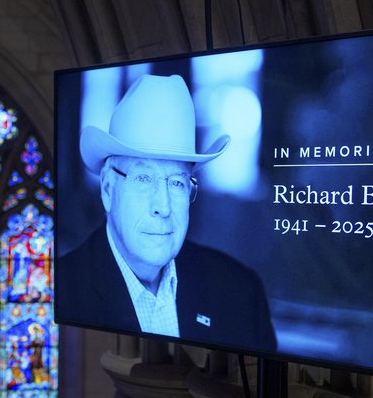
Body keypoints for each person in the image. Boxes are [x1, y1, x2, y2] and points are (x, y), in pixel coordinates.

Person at [58, 74, 275, 351]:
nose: (163, 206)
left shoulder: (239, 291)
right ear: (108, 189)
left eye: (176, 183)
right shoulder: (60, 291)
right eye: (143, 179)